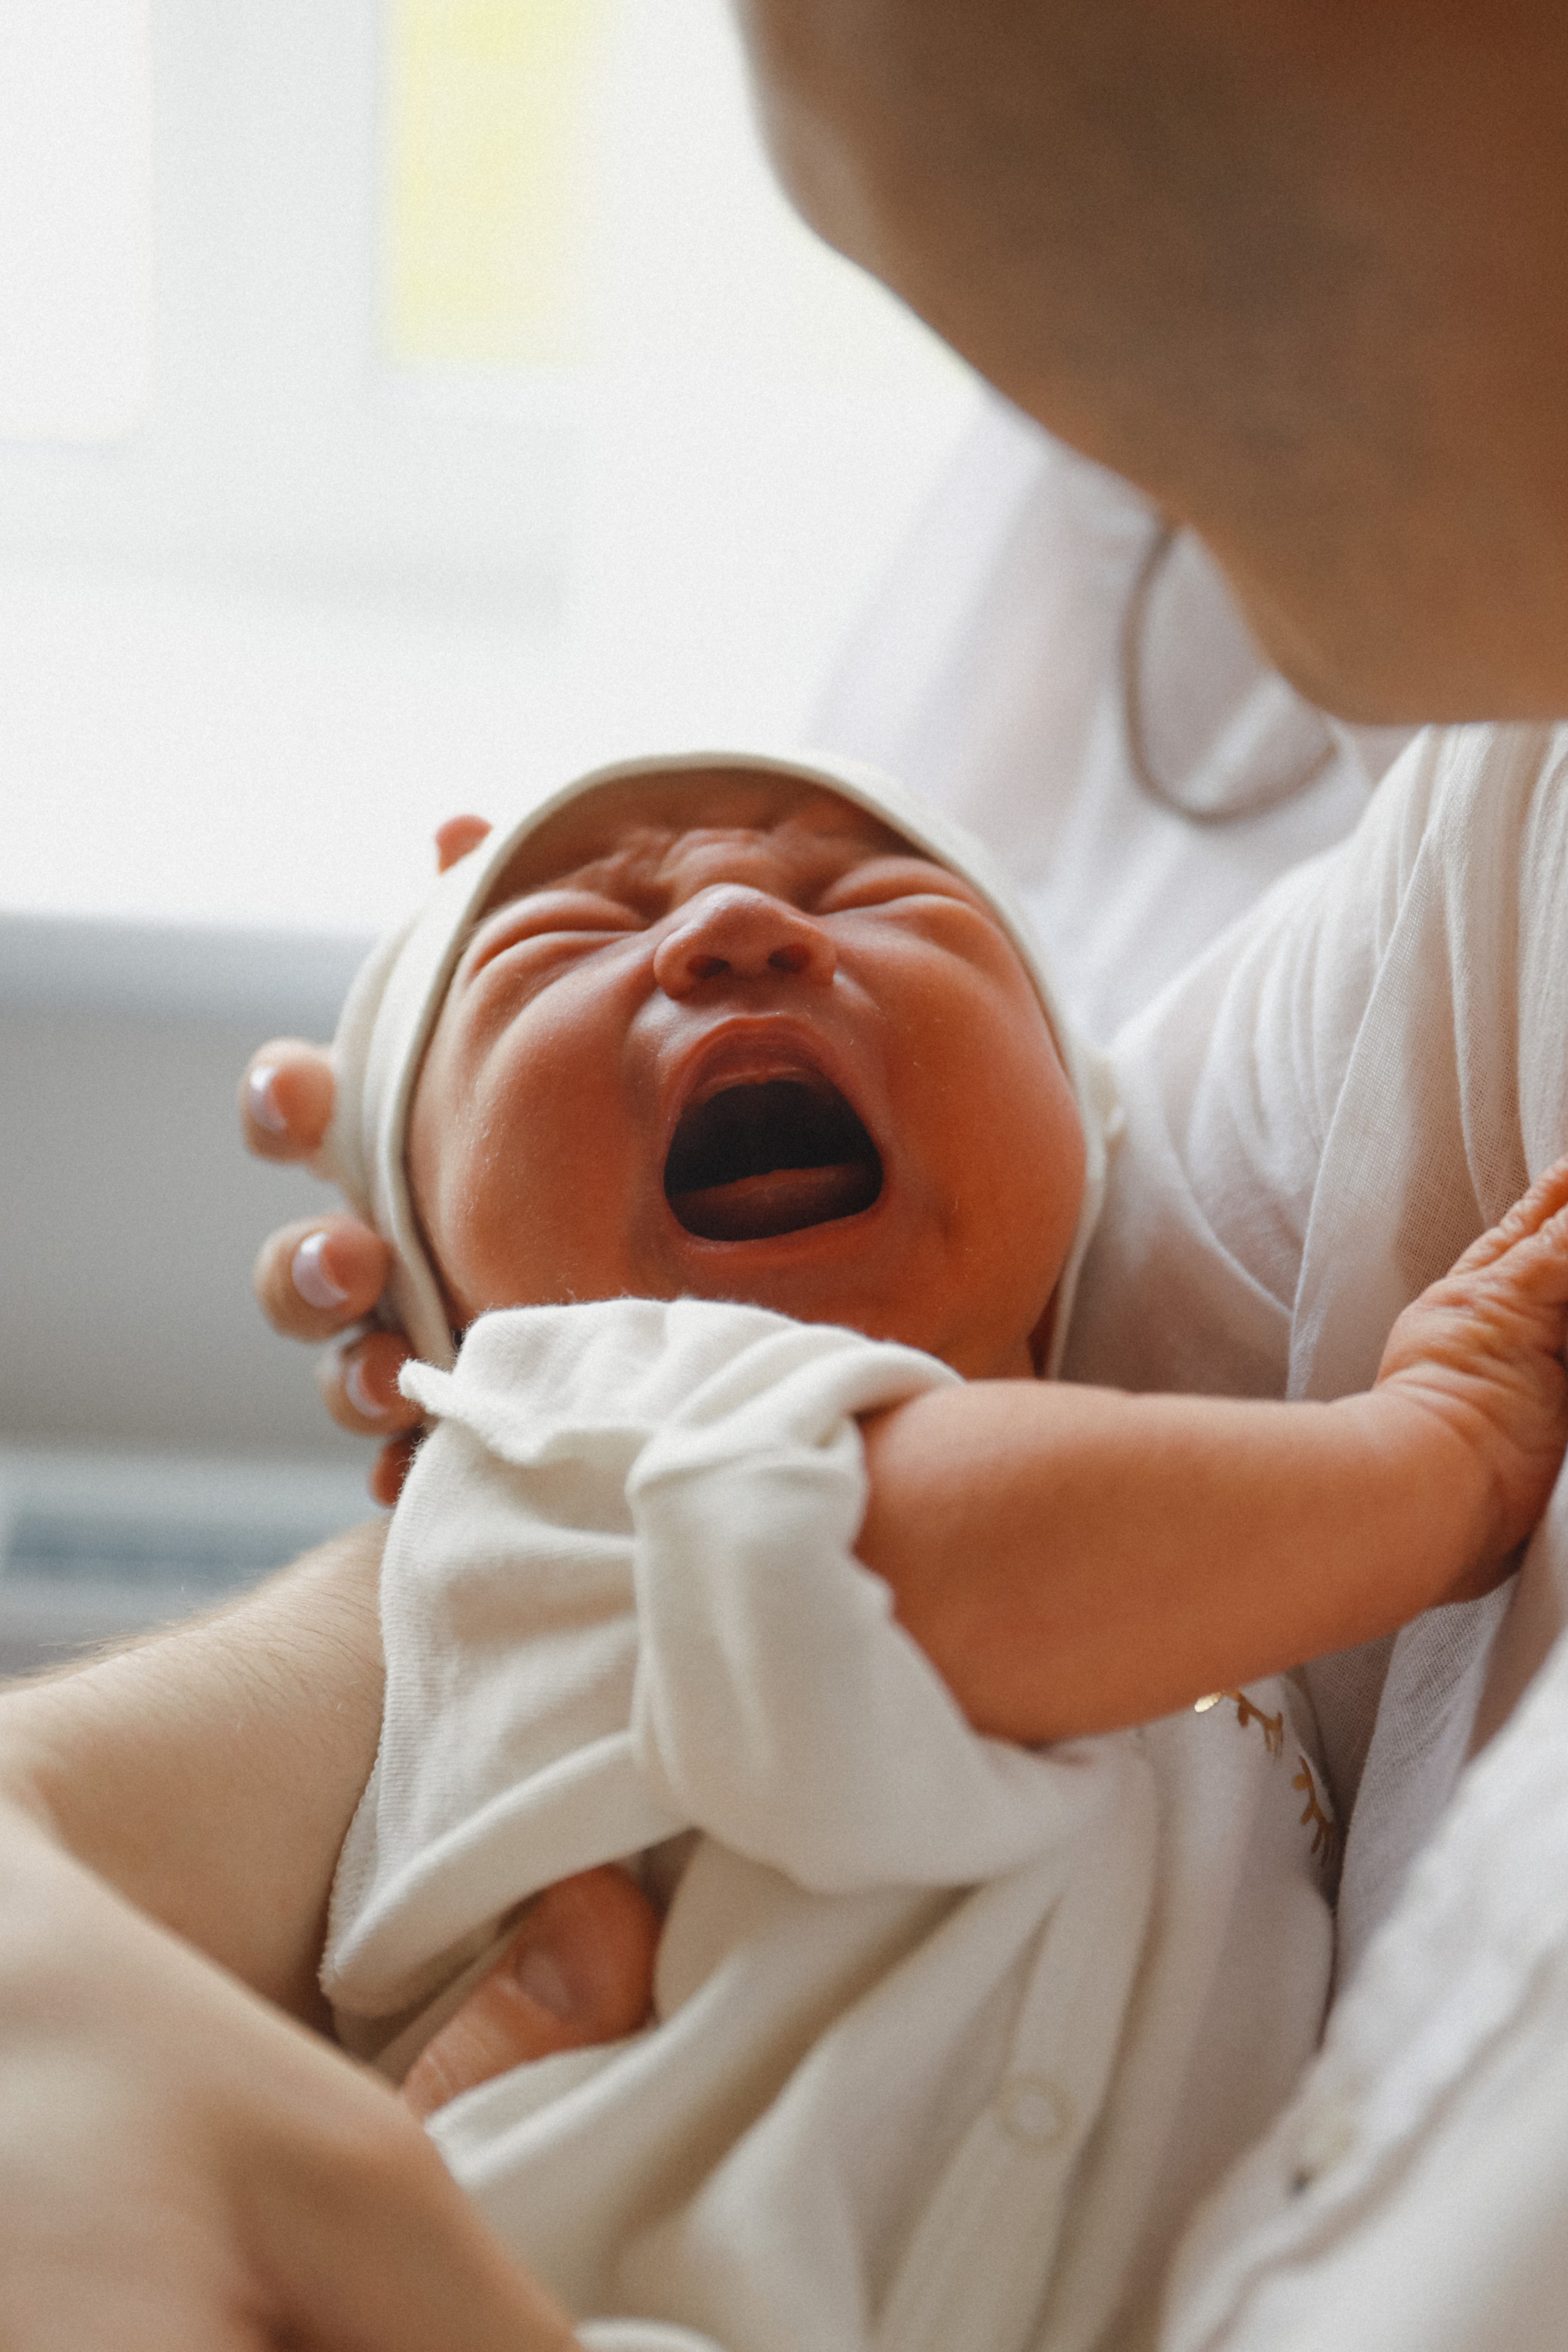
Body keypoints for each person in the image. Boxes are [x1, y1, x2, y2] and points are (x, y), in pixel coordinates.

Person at [246, 747, 1568, 2351]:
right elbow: (916, 1570)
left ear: (1088, 1143)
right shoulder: (576, 1423)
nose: (733, 920)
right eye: (562, 937)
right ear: (430, 1294)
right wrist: (1430, 1457)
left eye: (865, 892)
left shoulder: (1172, 1513)